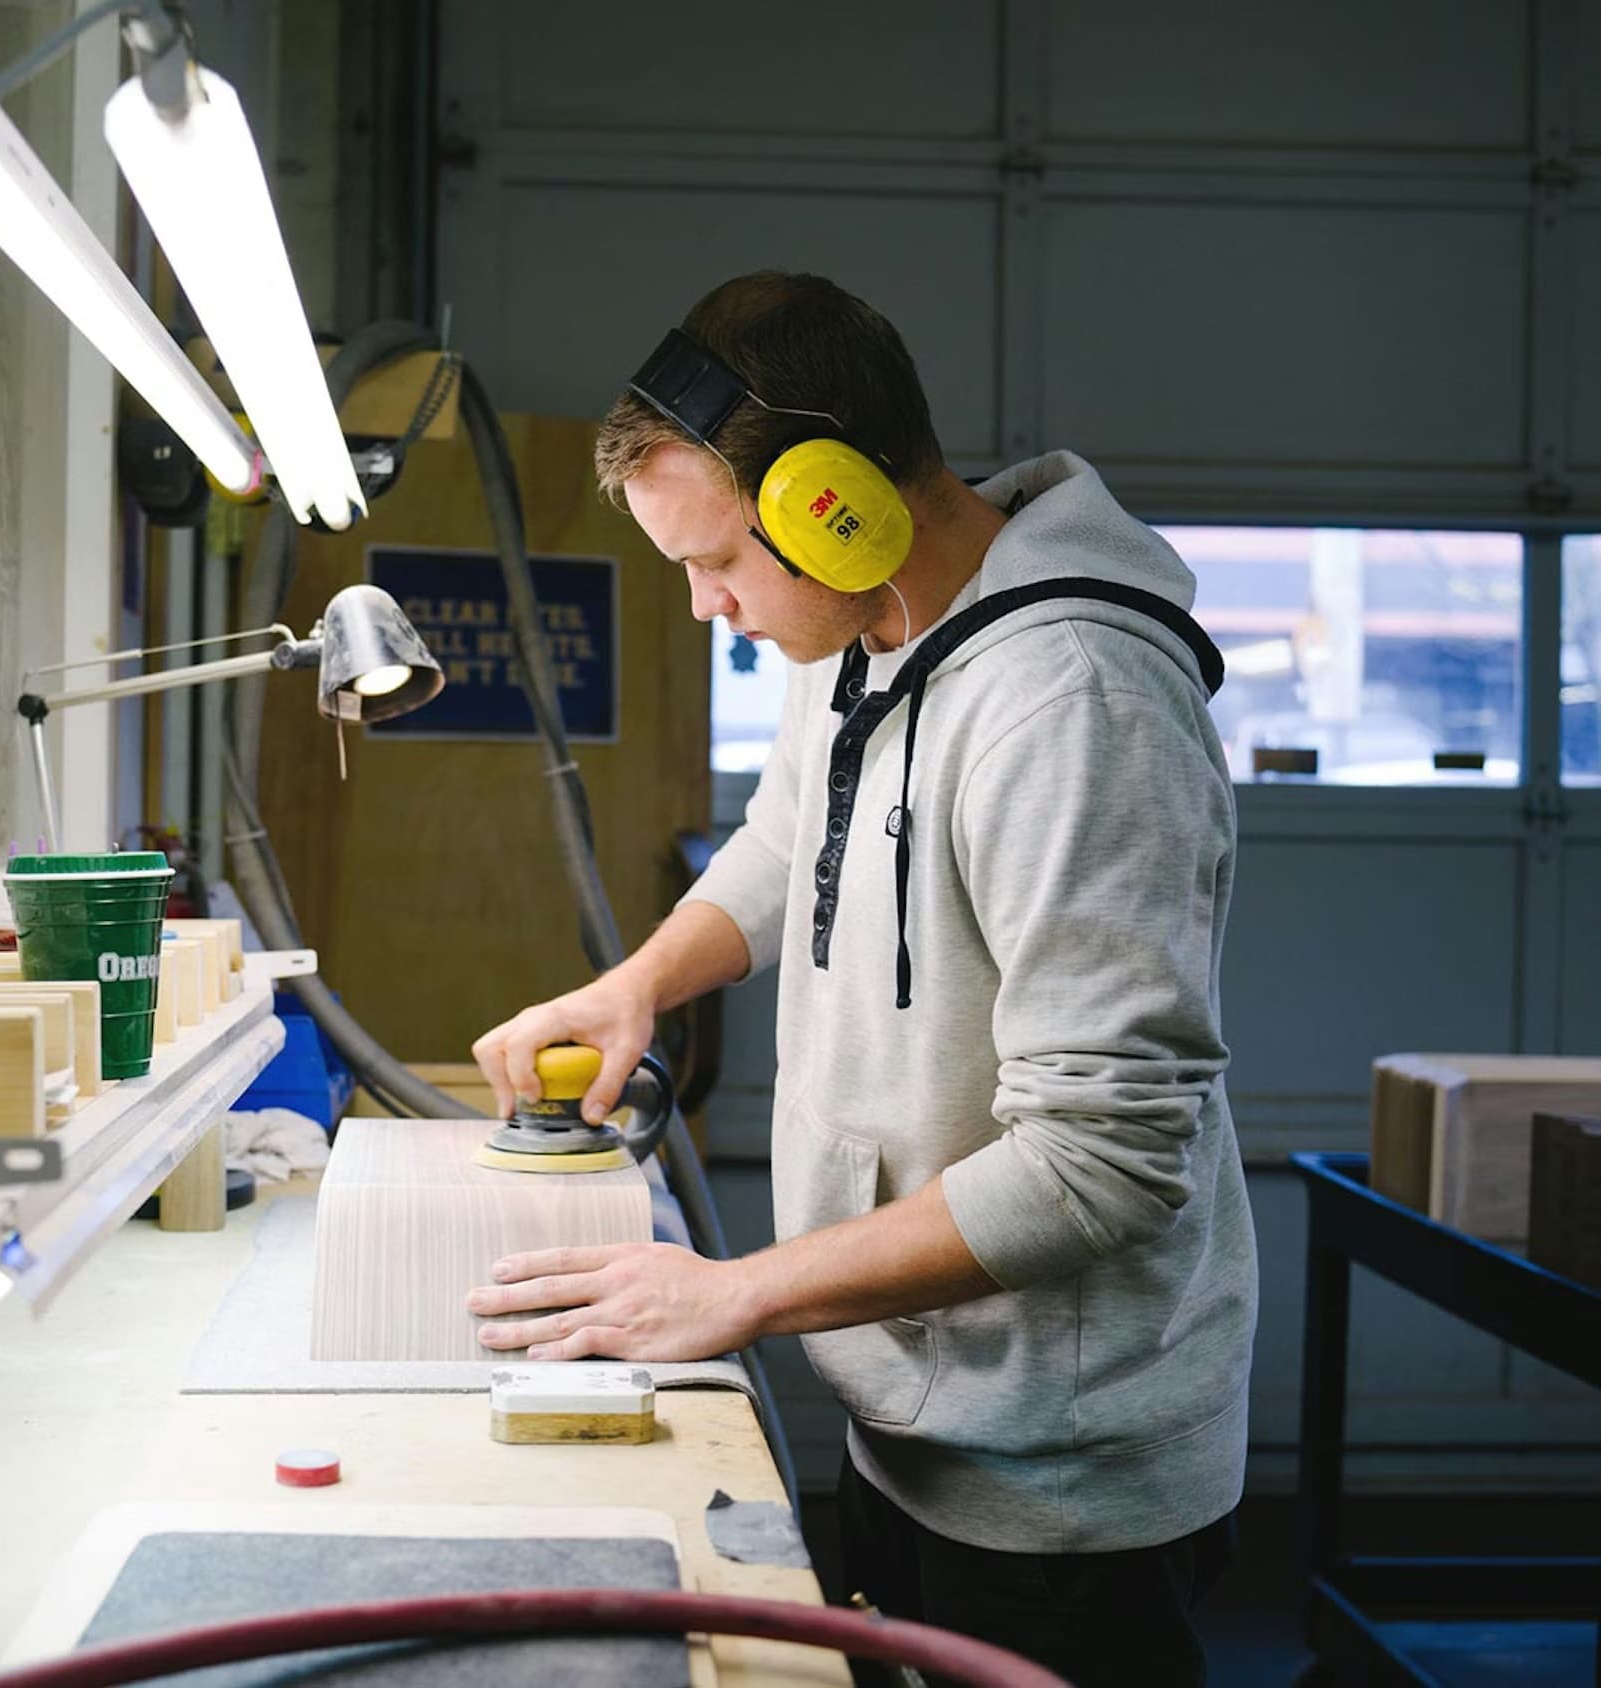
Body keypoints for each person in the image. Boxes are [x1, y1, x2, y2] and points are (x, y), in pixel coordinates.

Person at [468, 271, 1255, 1687]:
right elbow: (790, 839)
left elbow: (1102, 1160)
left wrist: (737, 1294)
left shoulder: (1072, 704)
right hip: (909, 1400)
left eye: (719, 561)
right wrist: (640, 982)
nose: (706, 607)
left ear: (837, 506)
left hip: (1055, 1469)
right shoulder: (859, 627)